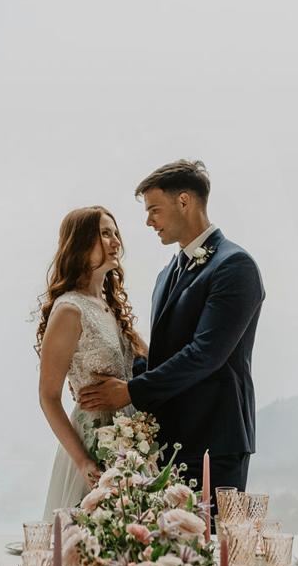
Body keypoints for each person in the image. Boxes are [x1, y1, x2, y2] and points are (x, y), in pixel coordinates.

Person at [78, 160, 264, 491]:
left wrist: (130, 392)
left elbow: (205, 353)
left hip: (214, 441)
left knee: (210, 540)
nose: (148, 221)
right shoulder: (167, 273)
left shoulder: (235, 266)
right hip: (165, 443)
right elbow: (164, 356)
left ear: (184, 201)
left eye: (154, 210)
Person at [36, 206, 147, 516]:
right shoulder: (70, 309)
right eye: (104, 233)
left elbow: (150, 363)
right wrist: (82, 460)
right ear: (81, 242)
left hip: (130, 441)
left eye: (115, 233)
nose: (115, 241)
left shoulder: (111, 308)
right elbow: (48, 396)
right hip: (93, 441)